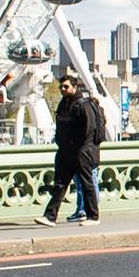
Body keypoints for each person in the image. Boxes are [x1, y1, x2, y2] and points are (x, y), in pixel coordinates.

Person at [34, 76, 101, 227]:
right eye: (61, 87)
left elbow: (88, 129)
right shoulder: (63, 104)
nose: (63, 90)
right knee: (60, 183)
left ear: (74, 87)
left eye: (66, 87)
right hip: (65, 151)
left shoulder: (83, 105)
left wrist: (74, 144)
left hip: (81, 151)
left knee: (86, 182)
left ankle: (93, 216)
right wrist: (61, 143)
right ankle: (50, 216)